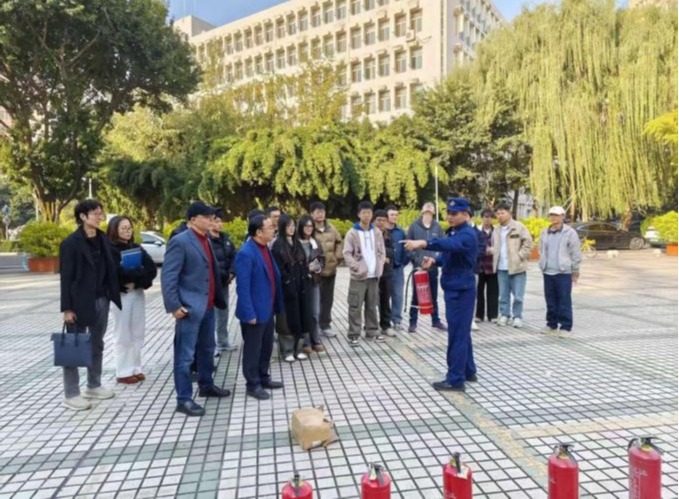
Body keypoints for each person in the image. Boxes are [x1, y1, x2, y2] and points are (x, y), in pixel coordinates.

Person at [162, 201, 230, 417]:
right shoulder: (180, 241)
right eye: (206, 217)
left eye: (212, 217)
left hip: (208, 307)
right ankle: (183, 399)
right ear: (192, 220)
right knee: (185, 356)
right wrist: (174, 306)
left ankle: (206, 385)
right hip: (189, 309)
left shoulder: (207, 239)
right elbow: (169, 276)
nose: (211, 220)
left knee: (207, 350)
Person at [403, 197, 478, 392]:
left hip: (461, 290)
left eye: (454, 214)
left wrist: (422, 242)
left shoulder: (467, 234)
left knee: (457, 334)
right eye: (448, 213)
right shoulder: (455, 232)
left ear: (466, 214)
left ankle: (455, 379)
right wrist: (435, 262)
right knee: (462, 332)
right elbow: (449, 255)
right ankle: (468, 371)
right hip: (455, 288)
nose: (450, 217)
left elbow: (449, 245)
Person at [59, 199, 122, 411]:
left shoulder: (104, 239)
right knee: (74, 346)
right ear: (83, 216)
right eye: (95, 213)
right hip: (78, 302)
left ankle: (93, 385)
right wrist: (67, 309)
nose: (100, 216)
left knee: (97, 343)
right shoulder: (70, 243)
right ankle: (71, 394)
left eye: (100, 212)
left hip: (102, 299)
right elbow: (66, 278)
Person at [235, 214, 285, 400]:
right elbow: (243, 287)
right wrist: (249, 312)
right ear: (258, 232)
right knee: (253, 350)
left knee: (266, 347)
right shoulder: (246, 253)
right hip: (254, 312)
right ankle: (253, 384)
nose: (274, 229)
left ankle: (263, 377)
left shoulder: (265, 248)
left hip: (267, 308)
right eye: (270, 227)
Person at [107, 216, 157, 384]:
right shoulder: (110, 250)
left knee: (137, 331)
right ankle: (123, 371)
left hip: (137, 292)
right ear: (114, 230)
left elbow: (151, 270)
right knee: (123, 333)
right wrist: (137, 272)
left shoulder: (136, 247)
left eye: (129, 228)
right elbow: (116, 274)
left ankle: (136, 367)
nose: (127, 231)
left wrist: (136, 279)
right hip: (122, 295)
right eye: (123, 228)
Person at [343, 201, 386, 346]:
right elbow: (346, 253)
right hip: (359, 277)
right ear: (359, 214)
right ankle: (353, 334)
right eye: (364, 213)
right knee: (355, 306)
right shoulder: (352, 233)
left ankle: (372, 331)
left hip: (374, 276)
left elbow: (382, 252)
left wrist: (380, 266)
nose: (367, 215)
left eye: (369, 212)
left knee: (372, 305)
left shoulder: (377, 232)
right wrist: (356, 267)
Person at [271, 214, 311, 362]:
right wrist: (287, 281)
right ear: (282, 227)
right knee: (286, 319)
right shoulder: (277, 245)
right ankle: (287, 350)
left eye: (294, 226)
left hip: (300, 286)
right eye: (288, 226)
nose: (292, 229)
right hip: (286, 288)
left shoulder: (297, 243)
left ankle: (298, 348)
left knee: (301, 316)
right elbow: (278, 268)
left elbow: (303, 263)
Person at [538, 206, 582, 336]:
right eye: (551, 215)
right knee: (550, 300)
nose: (554, 218)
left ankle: (565, 327)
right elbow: (541, 249)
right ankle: (551, 325)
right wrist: (542, 264)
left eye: (556, 215)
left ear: (563, 216)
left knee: (564, 300)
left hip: (563, 272)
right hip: (548, 271)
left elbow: (576, 253)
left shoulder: (570, 233)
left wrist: (575, 270)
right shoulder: (545, 232)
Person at [406, 202, 446, 333]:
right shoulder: (414, 226)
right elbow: (408, 246)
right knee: (416, 295)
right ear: (422, 211)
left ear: (434, 212)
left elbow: (443, 246)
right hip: (418, 268)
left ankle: (435, 320)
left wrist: (435, 260)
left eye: (431, 208)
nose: (428, 209)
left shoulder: (437, 227)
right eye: (426, 207)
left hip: (432, 267)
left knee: (434, 295)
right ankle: (412, 322)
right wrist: (417, 260)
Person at [491, 203, 533, 328]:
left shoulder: (519, 227)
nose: (500, 216)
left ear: (509, 213)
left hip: (517, 267)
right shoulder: (496, 230)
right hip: (501, 267)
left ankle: (517, 317)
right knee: (503, 295)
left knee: (518, 296)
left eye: (502, 213)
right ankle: (504, 315)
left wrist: (520, 256)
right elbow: (494, 245)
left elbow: (528, 243)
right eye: (498, 213)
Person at [311, 202, 343, 338]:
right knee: (315, 300)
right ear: (312, 213)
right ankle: (315, 326)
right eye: (317, 212)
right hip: (315, 272)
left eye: (322, 211)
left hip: (331, 270)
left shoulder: (331, 228)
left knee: (328, 300)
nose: (320, 214)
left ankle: (325, 325)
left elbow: (339, 242)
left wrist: (337, 257)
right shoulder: (309, 228)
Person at [210, 208, 238, 354]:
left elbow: (234, 256)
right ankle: (212, 345)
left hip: (224, 283)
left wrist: (232, 273)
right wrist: (222, 275)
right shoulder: (207, 240)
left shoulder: (225, 239)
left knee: (223, 313)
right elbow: (210, 263)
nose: (219, 224)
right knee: (211, 316)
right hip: (211, 284)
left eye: (220, 221)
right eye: (216, 221)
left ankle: (223, 341)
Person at [298, 215, 326, 353]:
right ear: (301, 227)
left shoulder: (316, 243)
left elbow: (322, 260)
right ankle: (306, 341)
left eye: (311, 226)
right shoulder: (295, 243)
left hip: (314, 281)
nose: (309, 228)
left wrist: (318, 267)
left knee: (315, 312)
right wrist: (305, 268)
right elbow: (293, 263)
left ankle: (316, 339)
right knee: (304, 312)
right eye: (306, 226)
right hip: (300, 283)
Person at [373, 210, 396, 337]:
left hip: (386, 272)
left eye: (383, 220)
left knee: (385, 300)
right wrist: (383, 257)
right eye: (378, 220)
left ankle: (386, 325)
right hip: (372, 272)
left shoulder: (388, 235)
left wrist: (382, 253)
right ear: (374, 221)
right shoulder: (369, 234)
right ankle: (371, 325)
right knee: (371, 300)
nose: (381, 223)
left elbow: (392, 252)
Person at [386, 205, 408, 332]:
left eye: (396, 214)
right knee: (383, 296)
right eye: (392, 214)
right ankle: (384, 320)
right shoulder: (381, 231)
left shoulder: (400, 232)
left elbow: (406, 248)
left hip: (398, 268)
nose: (394, 217)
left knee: (398, 296)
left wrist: (403, 262)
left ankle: (397, 320)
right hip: (384, 269)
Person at [476, 209, 498, 323]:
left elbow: (501, 246)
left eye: (489, 217)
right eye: (485, 216)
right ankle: (479, 315)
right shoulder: (477, 231)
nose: (487, 219)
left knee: (493, 292)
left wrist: (494, 250)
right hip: (479, 266)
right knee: (479, 292)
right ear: (481, 218)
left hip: (492, 266)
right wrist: (484, 250)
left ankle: (493, 315)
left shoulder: (496, 231)